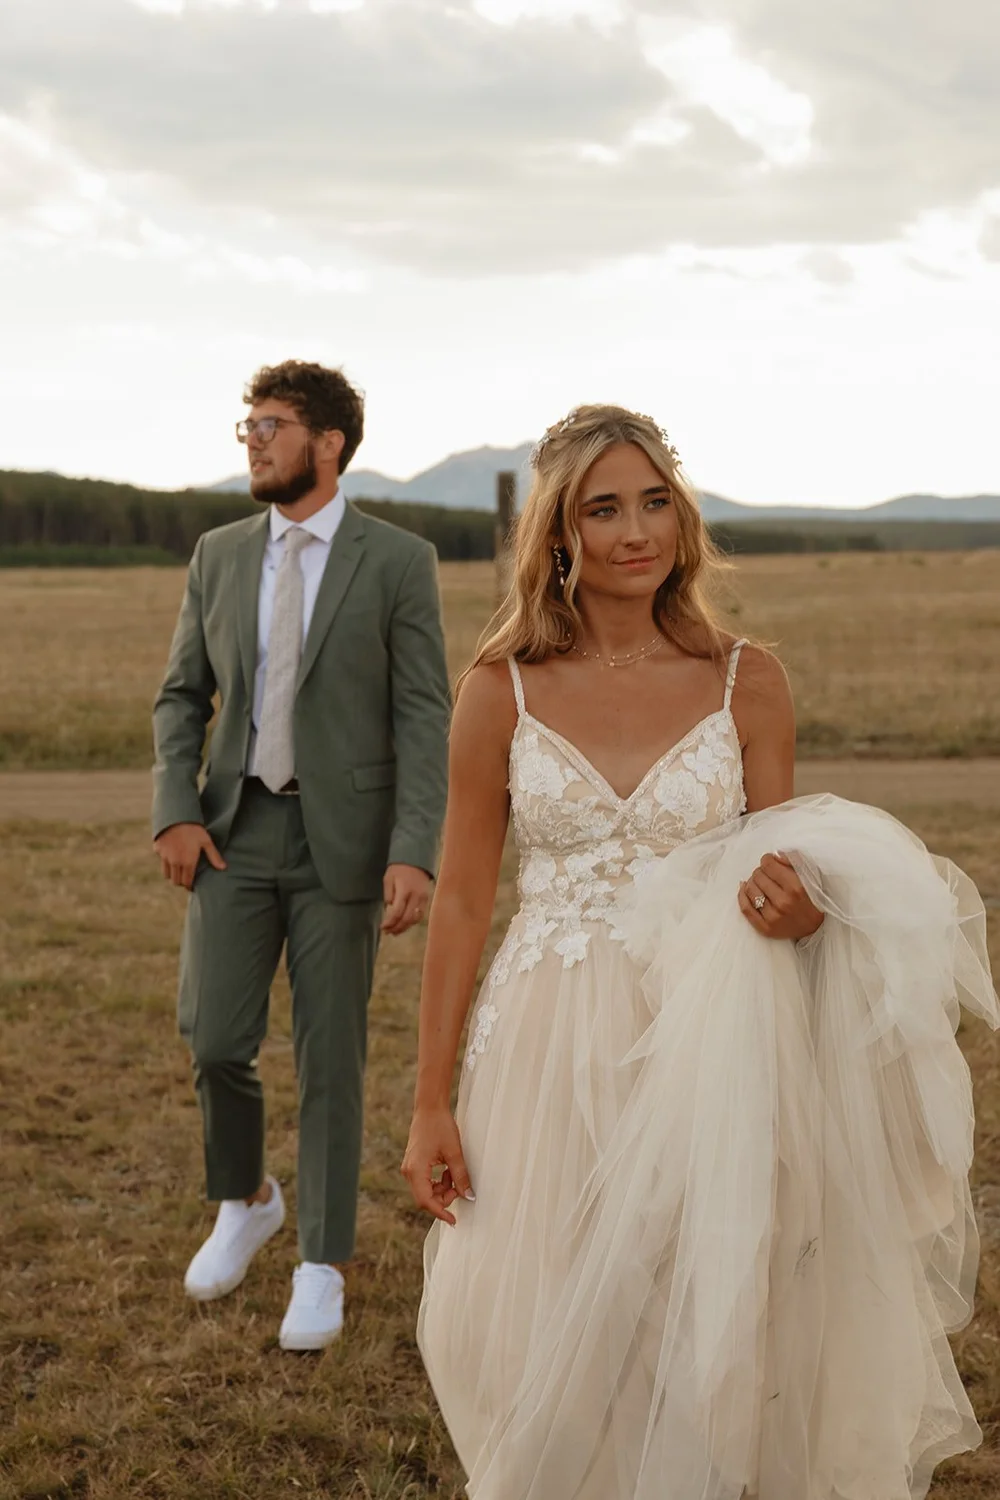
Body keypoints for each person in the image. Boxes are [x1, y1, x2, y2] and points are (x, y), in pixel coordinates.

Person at [402, 404, 997, 1498]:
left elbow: (785, 866)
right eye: (602, 508)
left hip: (707, 1034)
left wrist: (801, 907)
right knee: (525, 1310)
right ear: (558, 534)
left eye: (655, 501)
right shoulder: (501, 691)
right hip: (543, 1038)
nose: (636, 530)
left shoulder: (746, 679)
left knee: (700, 1311)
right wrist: (430, 1099)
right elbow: (463, 904)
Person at [153, 360, 449, 1351]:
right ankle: (246, 1198)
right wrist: (173, 813)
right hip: (236, 832)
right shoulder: (220, 554)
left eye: (270, 424)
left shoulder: (397, 562)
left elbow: (421, 712)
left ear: (327, 443)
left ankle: (322, 1262)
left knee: (332, 1056)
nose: (252, 440)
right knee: (214, 1039)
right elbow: (180, 696)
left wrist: (412, 849)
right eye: (246, 424)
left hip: (345, 845)